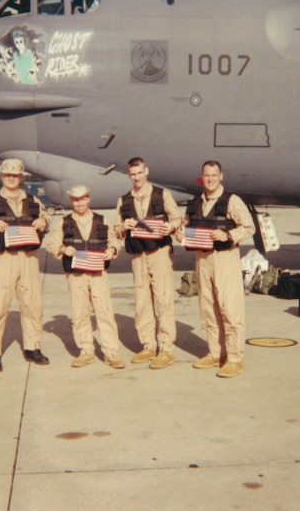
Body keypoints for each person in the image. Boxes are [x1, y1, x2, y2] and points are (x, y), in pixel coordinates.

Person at [0, 159, 52, 372]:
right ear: (1, 176)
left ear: (21, 177)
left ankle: (32, 347)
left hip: (28, 258)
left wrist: (43, 222)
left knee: (32, 304)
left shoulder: (32, 200)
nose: (11, 178)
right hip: (2, 259)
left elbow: (45, 217)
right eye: (7, 175)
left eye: (15, 175)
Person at [178, 160, 255, 378]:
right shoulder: (194, 203)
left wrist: (228, 235)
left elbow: (249, 227)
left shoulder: (232, 201)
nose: (209, 179)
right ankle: (214, 353)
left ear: (221, 176)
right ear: (201, 178)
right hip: (202, 260)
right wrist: (180, 233)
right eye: (206, 175)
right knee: (208, 308)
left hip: (225, 258)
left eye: (213, 175)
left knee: (230, 308)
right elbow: (186, 225)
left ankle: (234, 358)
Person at [44, 185, 125, 369]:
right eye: (75, 199)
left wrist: (112, 250)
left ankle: (111, 352)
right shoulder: (64, 222)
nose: (79, 203)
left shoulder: (102, 220)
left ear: (88, 199)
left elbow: (113, 241)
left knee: (104, 311)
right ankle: (86, 350)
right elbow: (51, 244)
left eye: (82, 199)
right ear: (71, 200)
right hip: (76, 275)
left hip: (98, 274)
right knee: (79, 312)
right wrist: (64, 249)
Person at [114, 157, 183, 369]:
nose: (136, 178)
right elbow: (116, 230)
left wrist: (170, 227)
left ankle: (166, 348)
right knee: (142, 300)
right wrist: (124, 225)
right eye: (133, 174)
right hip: (138, 255)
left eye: (139, 173)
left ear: (146, 172)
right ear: (129, 175)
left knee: (163, 299)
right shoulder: (124, 200)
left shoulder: (162, 195)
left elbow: (178, 219)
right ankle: (148, 345)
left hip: (159, 252)